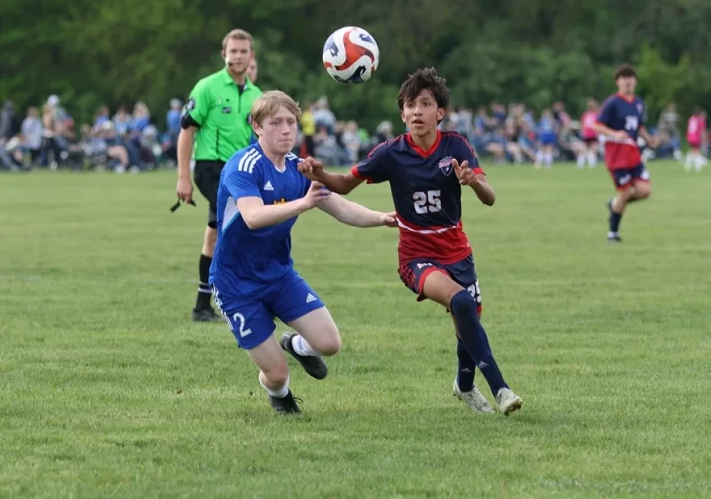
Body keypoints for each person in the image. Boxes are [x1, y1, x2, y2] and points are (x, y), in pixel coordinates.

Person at [298, 68, 523, 416]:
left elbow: (490, 197)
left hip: (457, 251)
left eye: (425, 103)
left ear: (440, 112)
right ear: (401, 114)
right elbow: (343, 184)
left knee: (467, 320)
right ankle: (502, 389)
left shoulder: (456, 145)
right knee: (461, 303)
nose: (416, 111)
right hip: (416, 255)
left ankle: (464, 386)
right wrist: (320, 174)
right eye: (409, 105)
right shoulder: (390, 152)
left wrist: (473, 182)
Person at [210, 90, 396, 414]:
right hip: (235, 283)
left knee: (329, 344)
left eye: (291, 122)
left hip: (278, 274)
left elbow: (341, 208)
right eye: (276, 122)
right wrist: (305, 203)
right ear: (256, 126)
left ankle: (296, 344)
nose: (286, 129)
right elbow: (253, 217)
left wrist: (382, 218)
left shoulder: (300, 169)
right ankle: (279, 394)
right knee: (276, 373)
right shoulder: (243, 165)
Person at [176, 29, 263, 322]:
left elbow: (261, 140)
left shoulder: (257, 95)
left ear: (251, 56)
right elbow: (187, 132)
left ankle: (203, 305)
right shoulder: (207, 87)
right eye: (233, 51)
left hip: (240, 172)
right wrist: (183, 177)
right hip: (211, 169)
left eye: (243, 51)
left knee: (215, 232)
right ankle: (241, 297)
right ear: (223, 54)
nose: (238, 56)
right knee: (243, 225)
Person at [593, 64, 658, 243]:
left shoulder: (638, 103)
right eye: (624, 77)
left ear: (635, 81)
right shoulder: (613, 102)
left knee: (644, 191)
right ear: (618, 82)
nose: (628, 81)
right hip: (617, 157)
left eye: (631, 77)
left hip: (633, 155)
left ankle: (614, 204)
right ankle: (612, 233)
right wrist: (615, 134)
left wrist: (648, 138)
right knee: (626, 191)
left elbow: (639, 126)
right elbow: (597, 125)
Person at [579, 98, 600, 168]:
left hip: (592, 133)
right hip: (588, 134)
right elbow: (582, 124)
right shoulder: (586, 114)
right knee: (585, 148)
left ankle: (591, 163)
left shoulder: (595, 114)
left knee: (592, 149)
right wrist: (582, 131)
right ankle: (582, 163)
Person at [685, 107, 707, 172]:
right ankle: (698, 166)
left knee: (692, 151)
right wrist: (704, 138)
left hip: (689, 136)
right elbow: (702, 131)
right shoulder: (700, 120)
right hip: (696, 137)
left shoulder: (691, 118)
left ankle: (687, 164)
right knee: (697, 151)